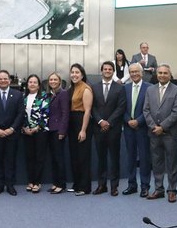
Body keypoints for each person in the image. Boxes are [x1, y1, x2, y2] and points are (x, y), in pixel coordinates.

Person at [142, 64, 177, 202]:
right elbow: (146, 110)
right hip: (154, 133)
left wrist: (162, 127)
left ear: (170, 75)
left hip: (170, 133)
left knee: (172, 163)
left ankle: (172, 190)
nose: (162, 75)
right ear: (156, 74)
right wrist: (154, 127)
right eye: (160, 73)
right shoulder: (150, 89)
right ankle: (158, 189)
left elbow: (176, 112)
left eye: (165, 73)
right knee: (157, 162)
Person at [0, 70, 24, 196]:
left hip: (12, 133)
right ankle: (0, 185)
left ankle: (10, 185)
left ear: (9, 80)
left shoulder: (18, 95)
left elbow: (20, 114)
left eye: (5, 78)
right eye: (0, 79)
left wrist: (12, 129)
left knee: (10, 160)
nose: (3, 81)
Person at [92, 61, 127, 196]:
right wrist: (100, 121)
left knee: (114, 158)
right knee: (101, 158)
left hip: (114, 129)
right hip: (98, 128)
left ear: (113, 72)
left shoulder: (120, 88)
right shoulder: (94, 88)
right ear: (101, 71)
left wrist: (109, 122)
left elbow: (121, 107)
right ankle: (102, 185)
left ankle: (114, 186)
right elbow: (92, 107)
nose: (107, 71)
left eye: (110, 69)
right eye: (105, 69)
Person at [122, 63, 151, 197]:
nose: (134, 74)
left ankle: (145, 186)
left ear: (142, 73)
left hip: (143, 128)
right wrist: (128, 120)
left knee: (144, 158)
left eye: (136, 72)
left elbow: (150, 108)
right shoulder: (125, 88)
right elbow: (121, 107)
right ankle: (132, 184)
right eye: (131, 72)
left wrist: (138, 121)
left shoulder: (149, 88)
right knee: (131, 157)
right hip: (128, 128)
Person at [67, 64, 94, 196]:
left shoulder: (86, 89)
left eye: (77, 72)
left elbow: (88, 110)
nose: (74, 75)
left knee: (83, 156)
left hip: (81, 122)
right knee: (74, 156)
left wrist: (83, 130)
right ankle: (77, 184)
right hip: (72, 123)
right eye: (72, 72)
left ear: (82, 74)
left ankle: (85, 187)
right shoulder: (72, 87)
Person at [21, 74, 50, 193]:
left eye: (35, 82)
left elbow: (46, 113)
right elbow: (20, 114)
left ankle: (37, 182)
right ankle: (31, 181)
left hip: (40, 131)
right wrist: (24, 128)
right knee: (29, 157)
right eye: (30, 82)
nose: (32, 84)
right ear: (27, 85)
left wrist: (37, 127)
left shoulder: (44, 96)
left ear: (39, 85)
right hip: (26, 132)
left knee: (39, 157)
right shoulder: (23, 97)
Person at [45, 72, 69, 195]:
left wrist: (62, 131)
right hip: (50, 129)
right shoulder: (50, 94)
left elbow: (65, 113)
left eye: (55, 79)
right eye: (51, 80)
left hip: (58, 130)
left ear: (60, 81)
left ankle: (61, 184)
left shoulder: (63, 93)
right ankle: (55, 183)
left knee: (59, 158)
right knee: (53, 158)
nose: (53, 81)